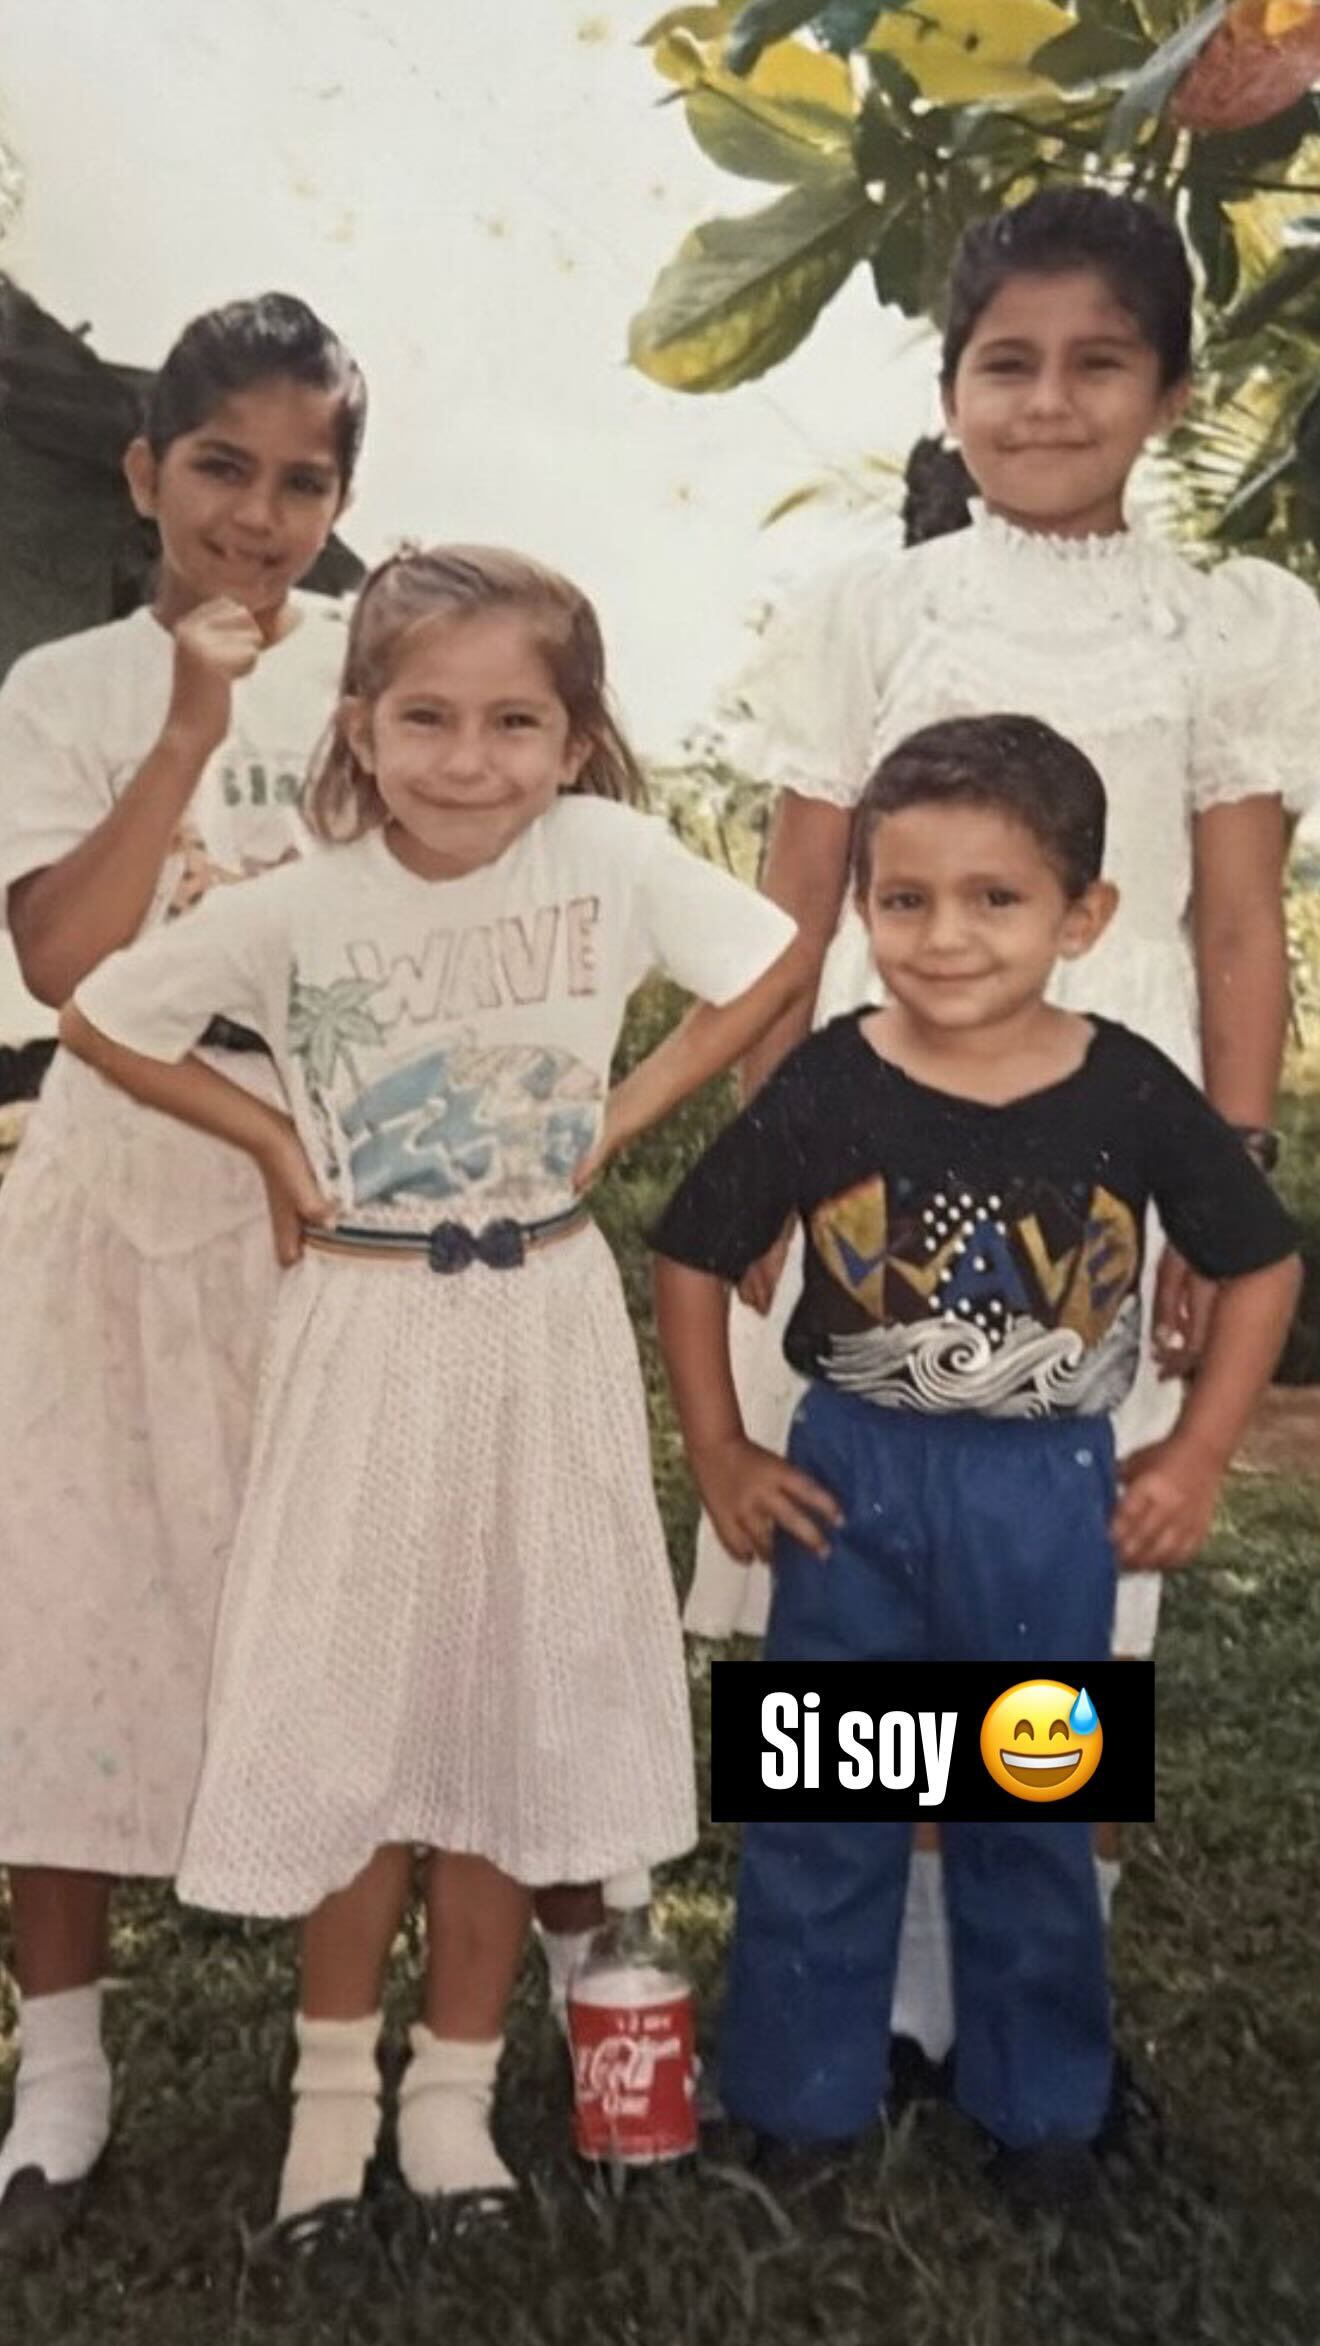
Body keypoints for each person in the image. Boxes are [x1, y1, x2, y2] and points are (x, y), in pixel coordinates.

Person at [61, 543, 804, 2227]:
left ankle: (452, 2095)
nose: (471, 758)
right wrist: (265, 1131)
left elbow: (766, 962)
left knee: (500, 1719)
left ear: (575, 734)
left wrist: (626, 1113)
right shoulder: (303, 900)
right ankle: (331, 2096)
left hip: (537, 1330)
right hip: (369, 1331)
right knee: (355, 1718)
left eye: (515, 722)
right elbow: (106, 1012)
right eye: (428, 718)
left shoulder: (607, 856)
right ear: (360, 725)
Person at [683, 184, 1320, 2073]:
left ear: (1173, 389)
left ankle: (1017, 1988)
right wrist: (772, 1147)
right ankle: (854, 1992)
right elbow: (792, 911)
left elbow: (1229, 925)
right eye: (1006, 364)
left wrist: (1226, 1188)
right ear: (951, 382)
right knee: (859, 1558)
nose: (1047, 403)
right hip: (875, 1142)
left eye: (1096, 364)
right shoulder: (871, 609)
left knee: (1064, 1566)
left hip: (1104, 1162)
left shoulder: (1232, 620)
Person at [651, 714, 1301, 2208]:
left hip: (1042, 1494)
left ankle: (1045, 2103)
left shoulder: (1129, 1084)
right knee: (823, 1798)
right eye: (903, 900)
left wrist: (1196, 1456)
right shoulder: (830, 1076)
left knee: (1031, 1795)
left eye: (994, 899)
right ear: (863, 904)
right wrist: (723, 1447)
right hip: (850, 1481)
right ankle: (801, 2093)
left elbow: (1258, 1263)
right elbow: (689, 1249)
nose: (943, 938)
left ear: (1084, 916)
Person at [0, 292, 366, 2226]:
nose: (257, 513)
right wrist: (190, 729)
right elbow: (66, 962)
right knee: (63, 1588)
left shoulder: (386, 679)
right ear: (144, 471)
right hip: (113, 1168)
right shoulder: (62, 687)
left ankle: (467, 1997)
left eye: (305, 481)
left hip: (324, 1180)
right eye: (220, 464)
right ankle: (59, 2063)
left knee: (342, 1580)